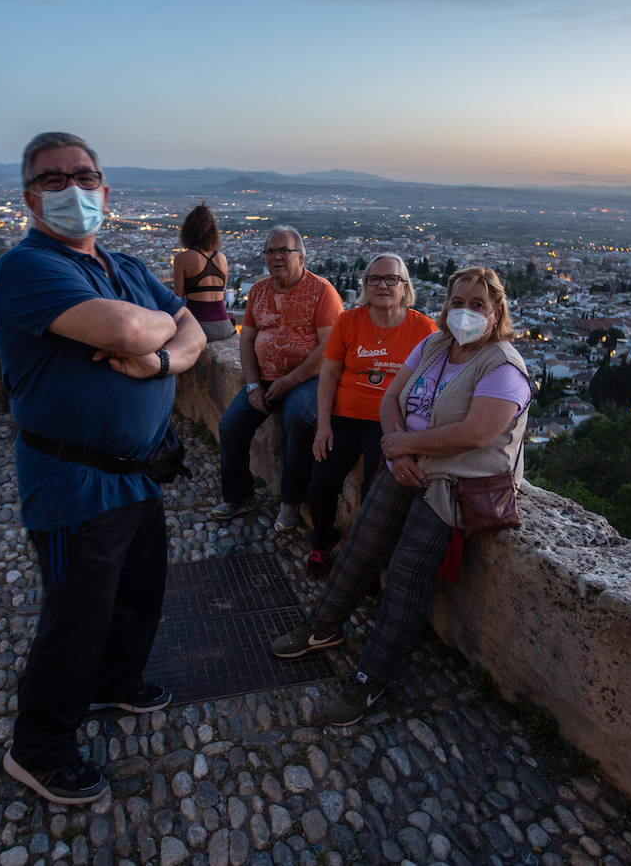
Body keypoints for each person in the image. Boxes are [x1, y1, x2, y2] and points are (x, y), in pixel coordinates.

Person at [0, 131, 206, 805]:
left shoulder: (123, 265)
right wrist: (152, 334)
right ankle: (40, 749)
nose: (72, 191)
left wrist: (162, 358)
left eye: (83, 177)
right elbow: (124, 332)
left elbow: (193, 330)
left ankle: (116, 682)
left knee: (138, 591)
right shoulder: (27, 268)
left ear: (105, 192)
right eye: (53, 181)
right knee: (75, 617)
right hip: (72, 480)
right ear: (30, 197)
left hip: (137, 470)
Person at [270, 266, 531, 726]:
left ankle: (372, 677)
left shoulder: (502, 366)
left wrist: (404, 445)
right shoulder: (434, 346)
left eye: (478, 305)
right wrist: (396, 447)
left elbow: (477, 433)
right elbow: (391, 399)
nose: (465, 312)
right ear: (444, 305)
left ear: (496, 314)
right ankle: (323, 626)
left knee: (408, 576)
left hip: (453, 485)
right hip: (406, 465)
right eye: (457, 302)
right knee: (360, 546)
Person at [305, 254, 437, 577]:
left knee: (375, 489)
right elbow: (329, 376)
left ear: (404, 287)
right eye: (375, 279)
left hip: (391, 420)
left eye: (391, 279)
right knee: (321, 480)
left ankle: (364, 561)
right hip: (346, 415)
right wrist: (323, 426)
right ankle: (322, 541)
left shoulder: (423, 328)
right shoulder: (349, 322)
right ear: (364, 285)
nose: (383, 285)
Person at [213, 225, 342, 532]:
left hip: (308, 379)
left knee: (298, 419)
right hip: (265, 378)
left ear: (301, 256)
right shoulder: (258, 291)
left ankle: (291, 501)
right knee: (231, 425)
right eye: (271, 251)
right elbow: (246, 341)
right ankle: (238, 495)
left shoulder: (322, 291)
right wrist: (253, 385)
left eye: (284, 250)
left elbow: (329, 347)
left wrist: (292, 380)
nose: (276, 257)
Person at [171, 202, 235, 341]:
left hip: (198, 326)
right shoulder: (222, 258)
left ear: (187, 231)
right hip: (225, 326)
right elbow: (221, 293)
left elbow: (178, 298)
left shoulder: (182, 258)